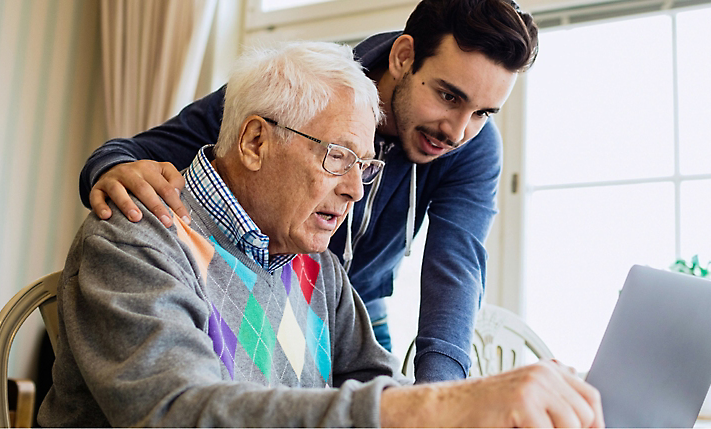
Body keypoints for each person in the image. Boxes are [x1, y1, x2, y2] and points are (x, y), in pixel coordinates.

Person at [39, 41, 601, 428]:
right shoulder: (136, 240)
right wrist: (434, 410)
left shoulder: (319, 266)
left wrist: (460, 405)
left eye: (365, 164)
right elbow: (181, 414)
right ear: (255, 143)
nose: (357, 192)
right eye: (336, 158)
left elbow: (439, 296)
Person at [77, 0, 537, 383]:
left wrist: (443, 396)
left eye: (483, 113)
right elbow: (145, 150)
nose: (458, 132)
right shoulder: (305, 92)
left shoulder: (470, 146)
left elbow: (456, 267)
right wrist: (114, 169)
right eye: (449, 96)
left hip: (343, 301)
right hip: (255, 281)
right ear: (403, 58)